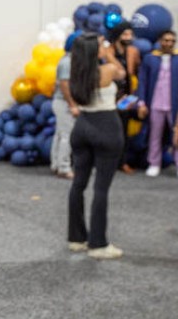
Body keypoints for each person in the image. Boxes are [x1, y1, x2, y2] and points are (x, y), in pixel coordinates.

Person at [67, 33, 126, 259]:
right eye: (102, 44)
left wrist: (103, 51)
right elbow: (121, 71)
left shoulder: (76, 72)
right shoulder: (107, 70)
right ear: (95, 50)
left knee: (78, 185)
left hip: (82, 127)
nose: (106, 46)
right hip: (106, 127)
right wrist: (110, 54)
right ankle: (98, 244)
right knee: (101, 188)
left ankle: (76, 238)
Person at [135, 29, 178, 177]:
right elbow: (142, 82)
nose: (169, 43)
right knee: (155, 134)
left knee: (176, 135)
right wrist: (141, 102)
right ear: (160, 41)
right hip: (155, 103)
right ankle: (154, 162)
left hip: (174, 104)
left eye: (172, 41)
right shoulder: (150, 59)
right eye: (166, 40)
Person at [107, 21, 141, 174]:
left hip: (126, 97)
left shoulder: (133, 51)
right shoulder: (107, 51)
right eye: (125, 34)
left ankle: (122, 162)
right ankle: (107, 162)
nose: (129, 37)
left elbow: (136, 73)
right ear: (117, 35)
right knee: (109, 132)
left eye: (130, 34)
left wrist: (133, 97)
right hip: (109, 98)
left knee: (124, 132)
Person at [51, 31, 82, 180]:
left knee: (60, 134)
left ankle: (56, 164)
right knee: (66, 136)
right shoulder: (67, 62)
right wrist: (72, 104)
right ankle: (64, 167)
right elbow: (64, 84)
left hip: (62, 102)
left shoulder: (68, 60)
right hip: (64, 103)